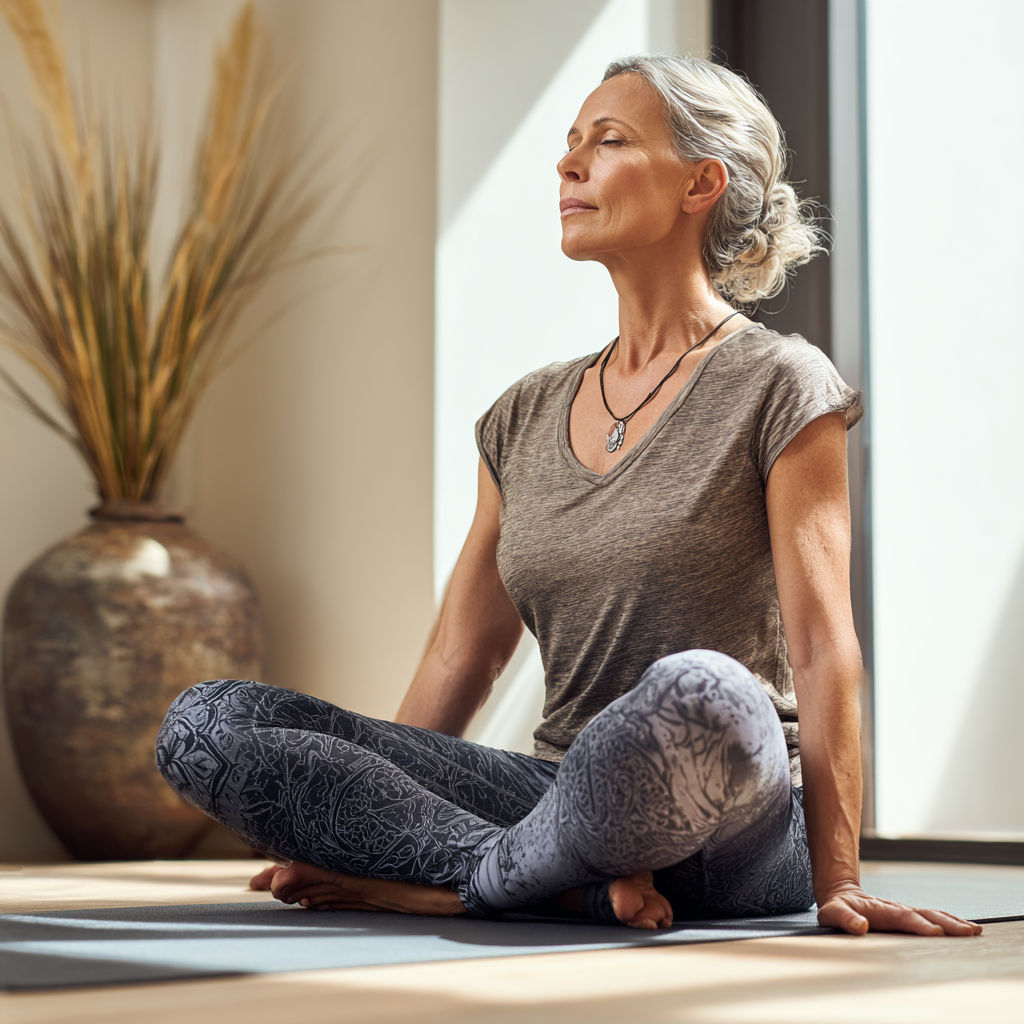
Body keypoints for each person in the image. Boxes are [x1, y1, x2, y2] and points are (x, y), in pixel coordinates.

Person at [157, 54, 980, 937]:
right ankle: (545, 884)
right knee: (208, 720)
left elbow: (823, 648)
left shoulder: (780, 382)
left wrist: (840, 878)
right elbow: (459, 658)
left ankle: (471, 877)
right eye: (569, 143)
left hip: (731, 817)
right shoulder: (522, 414)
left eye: (610, 140)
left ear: (703, 182)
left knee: (703, 689)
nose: (568, 163)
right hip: (560, 795)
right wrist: (366, 825)